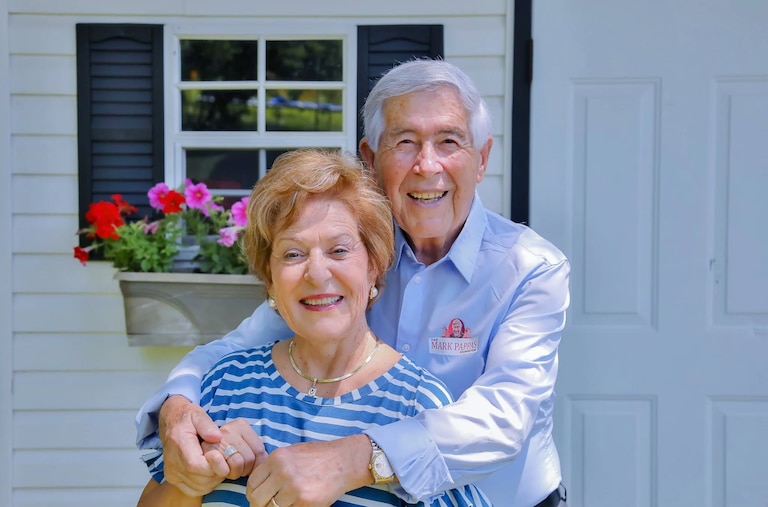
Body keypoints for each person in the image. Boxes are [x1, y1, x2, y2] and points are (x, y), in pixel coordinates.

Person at [136, 58, 570, 507]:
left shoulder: (530, 267)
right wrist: (177, 407)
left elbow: (504, 417)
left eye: (449, 141)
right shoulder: (351, 254)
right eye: (405, 142)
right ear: (369, 159)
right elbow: (232, 351)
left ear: (481, 159)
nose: (427, 164)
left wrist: (352, 458)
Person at [136, 149, 493, 506]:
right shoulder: (224, 386)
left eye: (339, 251)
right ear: (271, 281)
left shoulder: (416, 404)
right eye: (293, 254)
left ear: (374, 265)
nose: (318, 273)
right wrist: (195, 479)